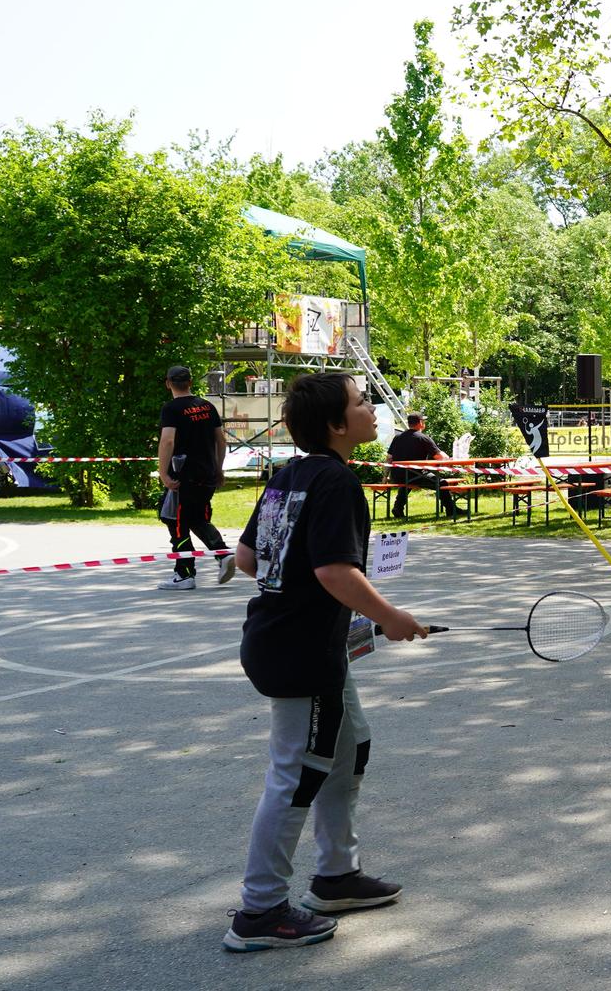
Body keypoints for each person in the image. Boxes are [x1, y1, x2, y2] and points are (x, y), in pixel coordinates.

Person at [222, 372, 429, 952]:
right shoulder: (336, 482)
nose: (372, 410)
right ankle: (260, 910)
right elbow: (335, 572)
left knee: (348, 749)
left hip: (295, 642)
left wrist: (342, 613)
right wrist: (388, 616)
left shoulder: (289, 475)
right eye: (363, 403)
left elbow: (244, 557)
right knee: (297, 775)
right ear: (339, 425)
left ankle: (337, 875)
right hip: (301, 655)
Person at [156, 365, 234, 590]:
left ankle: (184, 574)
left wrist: (163, 473)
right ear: (190, 382)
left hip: (184, 475)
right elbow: (220, 440)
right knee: (198, 517)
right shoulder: (207, 406)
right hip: (207, 474)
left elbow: (168, 441)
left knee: (175, 520)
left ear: (168, 383)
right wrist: (218, 469)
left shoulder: (171, 408)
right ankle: (223, 554)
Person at [385, 412, 465, 519]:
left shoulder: (397, 437)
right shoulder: (423, 438)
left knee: (407, 481)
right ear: (420, 423)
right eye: (423, 421)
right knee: (442, 483)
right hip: (415, 475)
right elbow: (440, 457)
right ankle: (451, 510)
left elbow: (389, 458)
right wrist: (450, 458)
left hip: (398, 476)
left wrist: (385, 476)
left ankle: (398, 507)